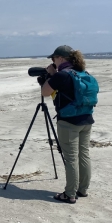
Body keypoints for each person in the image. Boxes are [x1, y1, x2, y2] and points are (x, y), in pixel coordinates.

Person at [40, 45, 95, 204]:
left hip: (68, 122)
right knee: (83, 155)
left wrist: (50, 75)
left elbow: (45, 92)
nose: (53, 61)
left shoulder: (61, 75)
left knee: (71, 158)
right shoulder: (83, 73)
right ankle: (82, 189)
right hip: (86, 119)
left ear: (61, 58)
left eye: (54, 58)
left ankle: (70, 194)